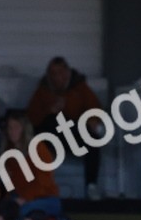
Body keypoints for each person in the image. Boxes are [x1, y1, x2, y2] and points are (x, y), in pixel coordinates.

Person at [26, 56, 103, 197]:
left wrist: (91, 120)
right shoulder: (43, 90)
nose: (56, 77)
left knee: (93, 139)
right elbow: (32, 117)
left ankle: (91, 186)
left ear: (67, 73)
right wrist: (49, 110)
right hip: (51, 138)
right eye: (53, 73)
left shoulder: (80, 88)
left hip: (73, 136)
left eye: (60, 73)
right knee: (52, 121)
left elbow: (95, 110)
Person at [0, 110, 60, 211]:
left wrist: (25, 198)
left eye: (16, 127)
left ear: (24, 129)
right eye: (9, 128)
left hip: (44, 197)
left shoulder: (38, 148)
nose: (12, 131)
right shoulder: (9, 152)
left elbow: (43, 182)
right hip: (20, 197)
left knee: (23, 211)